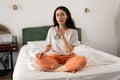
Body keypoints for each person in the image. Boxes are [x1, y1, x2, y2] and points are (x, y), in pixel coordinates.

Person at [35, 6, 87, 72]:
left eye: (62, 14)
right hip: (54, 57)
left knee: (82, 60)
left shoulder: (73, 32)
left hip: (69, 57)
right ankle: (65, 68)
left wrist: (63, 36)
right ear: (55, 17)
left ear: (67, 16)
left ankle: (54, 70)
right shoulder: (52, 30)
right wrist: (43, 52)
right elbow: (49, 45)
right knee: (38, 58)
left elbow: (69, 50)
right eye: (57, 15)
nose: (60, 17)